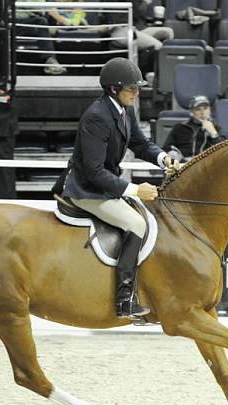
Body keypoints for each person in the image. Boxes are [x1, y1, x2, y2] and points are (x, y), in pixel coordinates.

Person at [54, 57, 180, 319]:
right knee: (136, 225)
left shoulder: (124, 110)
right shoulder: (96, 117)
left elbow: (141, 144)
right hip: (86, 190)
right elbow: (93, 171)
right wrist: (134, 190)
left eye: (137, 89)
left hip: (105, 185)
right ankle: (124, 300)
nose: (137, 93)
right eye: (132, 89)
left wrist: (163, 159)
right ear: (114, 89)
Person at [162, 95, 226, 161]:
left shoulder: (216, 128)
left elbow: (225, 151)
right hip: (182, 164)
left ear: (210, 110)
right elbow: (166, 148)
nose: (203, 113)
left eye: (205, 108)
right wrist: (176, 155)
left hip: (205, 164)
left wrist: (213, 133)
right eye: (198, 109)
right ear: (191, 112)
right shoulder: (179, 127)